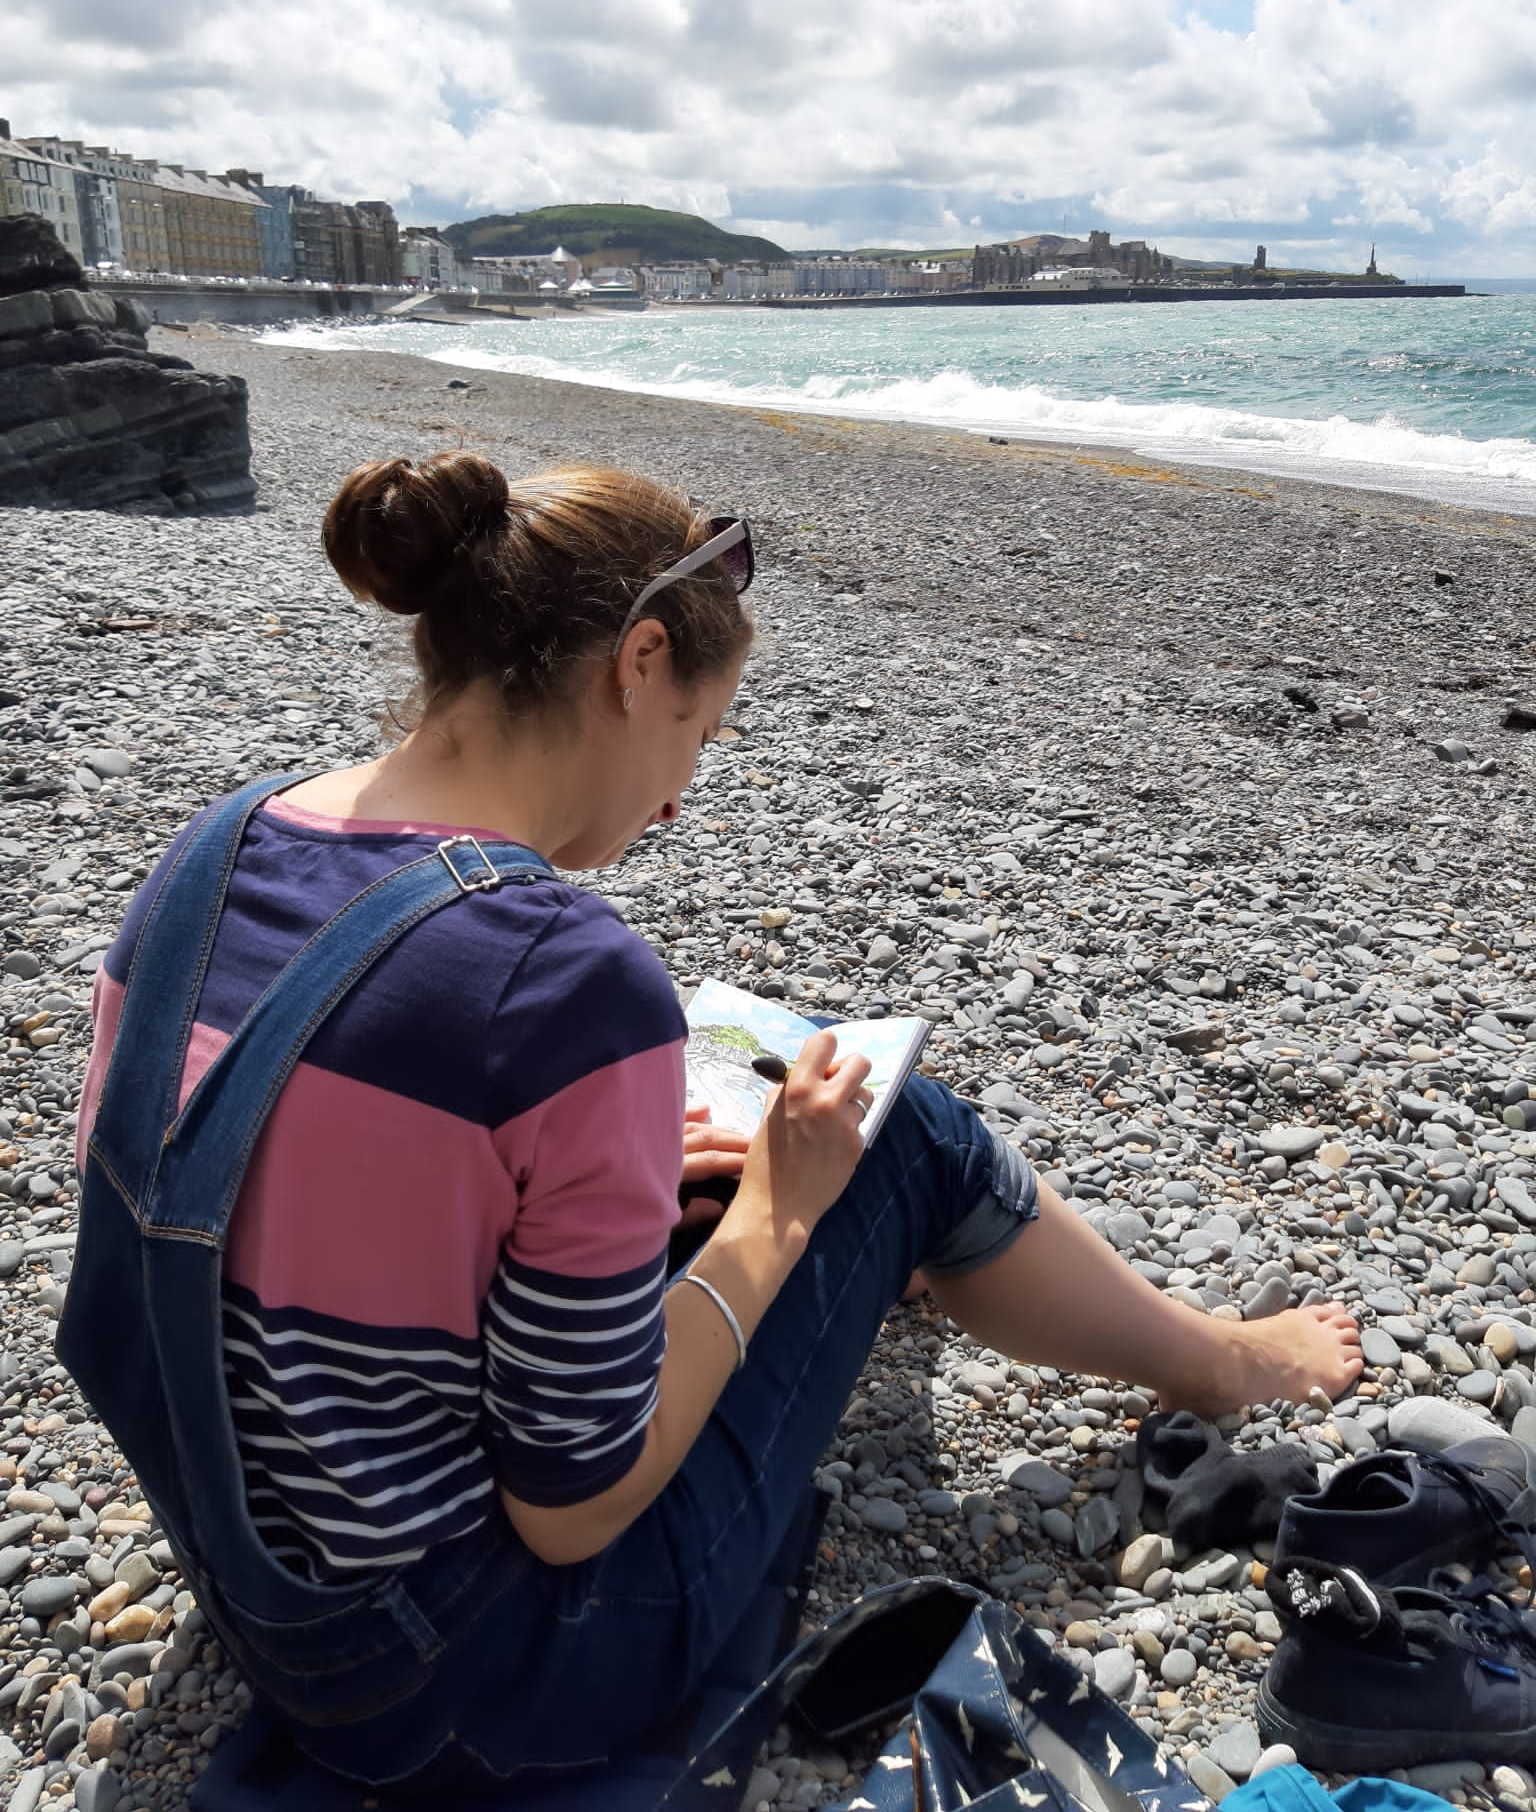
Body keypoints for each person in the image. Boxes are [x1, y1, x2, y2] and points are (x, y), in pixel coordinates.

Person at [65, 452, 1361, 1792]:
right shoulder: (556, 975)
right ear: (635, 664)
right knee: (892, 1128)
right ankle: (1216, 1364)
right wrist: (780, 1206)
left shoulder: (217, 850)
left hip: (252, 1560)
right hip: (481, 1676)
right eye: (698, 730)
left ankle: (907, 1262)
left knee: (715, 1188)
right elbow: (573, 1508)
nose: (683, 793)